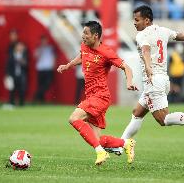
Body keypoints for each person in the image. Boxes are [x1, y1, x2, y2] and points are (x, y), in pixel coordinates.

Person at [105, 5, 184, 155]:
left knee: (163, 120)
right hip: (162, 79)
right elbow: (179, 36)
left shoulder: (142, 35)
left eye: (137, 20)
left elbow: (145, 50)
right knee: (137, 112)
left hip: (153, 80)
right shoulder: (163, 31)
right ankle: (120, 145)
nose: (134, 23)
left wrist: (149, 67)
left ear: (147, 20)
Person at [57, 21, 138, 165]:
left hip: (100, 96)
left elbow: (127, 67)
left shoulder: (106, 52)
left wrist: (129, 82)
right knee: (97, 139)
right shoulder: (85, 46)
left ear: (95, 36)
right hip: (91, 96)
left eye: (86, 33)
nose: (83, 36)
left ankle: (100, 152)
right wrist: (68, 65)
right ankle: (126, 143)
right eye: (83, 33)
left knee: (74, 118)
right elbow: (82, 57)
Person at [33, 35, 56, 103]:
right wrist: (40, 49)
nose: (44, 42)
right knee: (41, 84)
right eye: (43, 40)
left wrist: (54, 65)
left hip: (49, 68)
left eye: (45, 40)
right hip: (40, 68)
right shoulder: (39, 48)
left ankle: (36, 95)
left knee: (47, 84)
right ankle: (41, 100)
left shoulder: (50, 48)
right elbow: (35, 56)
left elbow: (54, 56)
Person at [6, 41, 28, 106]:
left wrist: (21, 61)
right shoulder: (11, 54)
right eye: (18, 46)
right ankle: (11, 103)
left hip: (22, 74)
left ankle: (21, 103)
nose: (19, 47)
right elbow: (8, 65)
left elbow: (26, 64)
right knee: (12, 89)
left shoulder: (24, 54)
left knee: (22, 89)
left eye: (20, 46)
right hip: (13, 74)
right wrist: (7, 74)